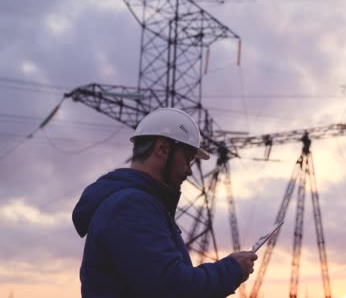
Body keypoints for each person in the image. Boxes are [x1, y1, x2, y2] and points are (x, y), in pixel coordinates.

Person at [72, 108, 257, 297]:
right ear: (162, 149)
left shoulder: (135, 204)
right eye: (187, 159)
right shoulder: (130, 207)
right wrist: (232, 269)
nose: (189, 170)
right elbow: (172, 287)